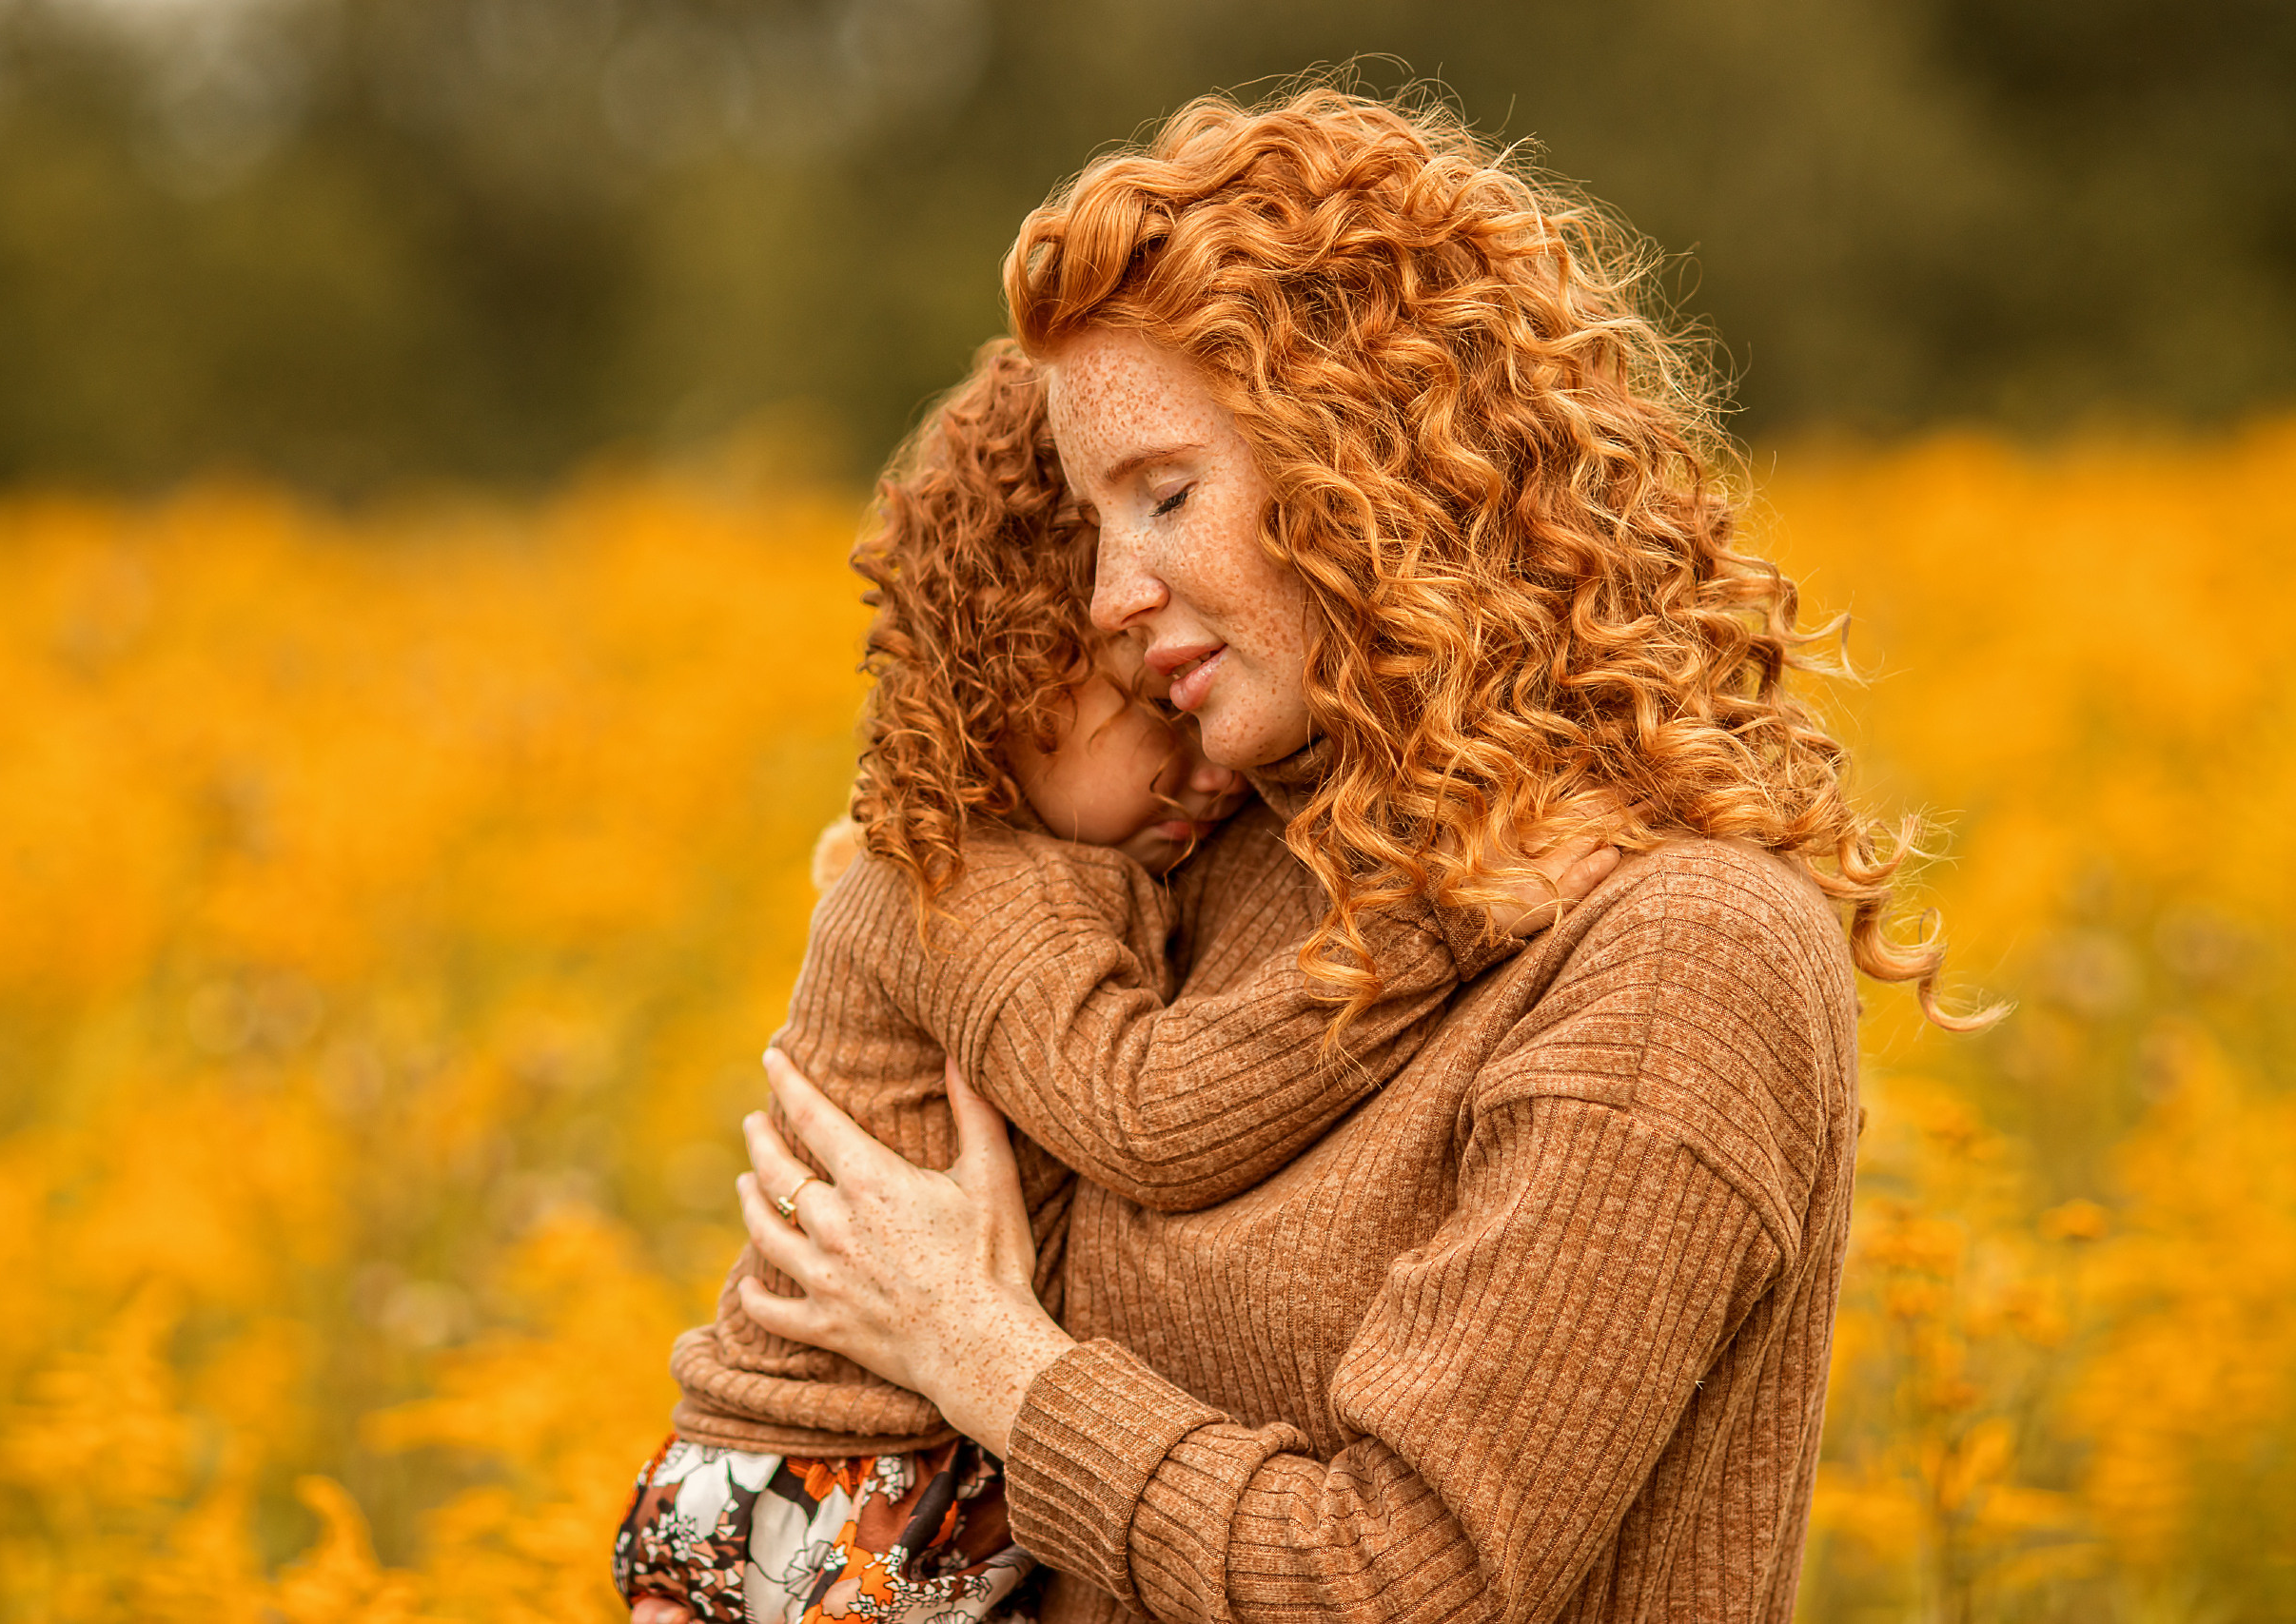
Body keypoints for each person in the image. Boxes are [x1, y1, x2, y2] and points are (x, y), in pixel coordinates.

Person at [697, 87, 1991, 1624]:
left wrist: (983, 1355)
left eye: (1165, 495)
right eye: (1093, 521)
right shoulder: (1237, 846)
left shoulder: (1679, 957)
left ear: (1381, 464)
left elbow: (1399, 1582)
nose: (1110, 593)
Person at [617, 341, 1616, 1622]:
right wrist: (1448, 923)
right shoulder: (957, 886)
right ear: (1008, 688)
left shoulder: (1100, 862)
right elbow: (1147, 1117)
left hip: (933, 1482)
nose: (1207, 768)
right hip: (837, 1476)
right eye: (1155, 717)